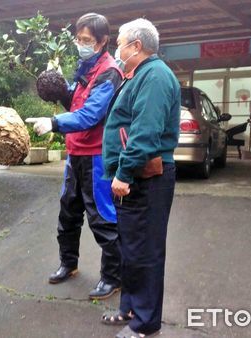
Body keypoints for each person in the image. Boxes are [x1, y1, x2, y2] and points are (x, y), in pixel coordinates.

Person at [26, 13, 123, 300]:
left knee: (102, 218)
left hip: (96, 156)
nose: (81, 44)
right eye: (78, 39)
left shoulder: (109, 71)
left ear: (103, 41)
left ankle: (112, 277)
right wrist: (58, 88)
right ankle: (68, 263)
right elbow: (75, 100)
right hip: (75, 154)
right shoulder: (86, 67)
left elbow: (92, 114)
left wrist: (54, 123)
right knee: (68, 212)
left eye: (87, 40)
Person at [101, 19, 180, 337]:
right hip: (134, 177)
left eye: (119, 42)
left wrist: (123, 172)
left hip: (145, 177)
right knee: (131, 247)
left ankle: (145, 323)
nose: (116, 48)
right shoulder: (139, 75)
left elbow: (145, 132)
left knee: (145, 250)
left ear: (136, 45)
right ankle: (130, 308)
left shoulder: (155, 76)